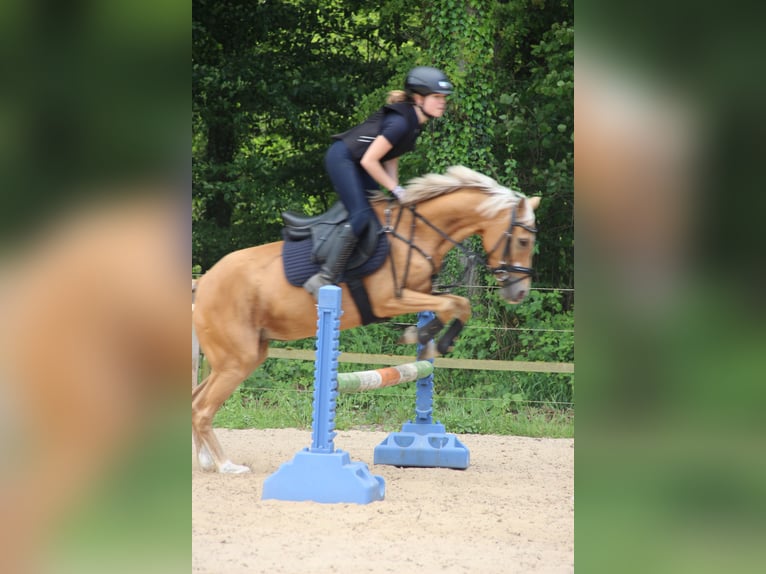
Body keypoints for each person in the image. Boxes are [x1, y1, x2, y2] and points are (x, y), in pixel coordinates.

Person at [303, 66, 453, 298]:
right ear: (418, 98)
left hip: (358, 162)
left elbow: (390, 158)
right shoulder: (401, 123)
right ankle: (324, 276)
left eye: (443, 97)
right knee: (361, 215)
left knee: (383, 214)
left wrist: (395, 192)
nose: (442, 102)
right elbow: (370, 160)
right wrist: (396, 189)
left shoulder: (414, 122)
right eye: (436, 97)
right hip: (343, 159)